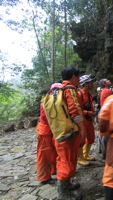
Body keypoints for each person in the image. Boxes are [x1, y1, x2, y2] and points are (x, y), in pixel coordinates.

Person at [55, 66, 87, 200]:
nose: (79, 79)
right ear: (73, 76)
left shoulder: (56, 89)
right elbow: (74, 110)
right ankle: (63, 194)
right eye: (78, 76)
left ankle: (66, 185)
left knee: (62, 159)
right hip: (69, 132)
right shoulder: (70, 90)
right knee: (68, 161)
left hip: (59, 131)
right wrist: (83, 129)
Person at [36, 83, 60, 185]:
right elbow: (45, 117)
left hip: (52, 130)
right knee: (44, 154)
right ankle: (44, 177)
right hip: (45, 130)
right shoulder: (47, 101)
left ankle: (53, 170)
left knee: (54, 152)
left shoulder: (54, 99)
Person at [77, 75, 96, 166]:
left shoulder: (89, 95)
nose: (92, 84)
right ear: (85, 84)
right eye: (90, 83)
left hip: (88, 120)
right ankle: (80, 158)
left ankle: (85, 154)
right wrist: (87, 112)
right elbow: (77, 109)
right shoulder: (79, 94)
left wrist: (92, 111)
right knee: (82, 138)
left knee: (91, 137)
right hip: (82, 120)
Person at [98, 78, 113, 160]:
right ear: (105, 84)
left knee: (102, 132)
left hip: (103, 112)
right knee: (107, 134)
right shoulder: (108, 91)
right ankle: (106, 152)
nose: (109, 80)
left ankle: (101, 149)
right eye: (107, 80)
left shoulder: (103, 91)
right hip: (108, 113)